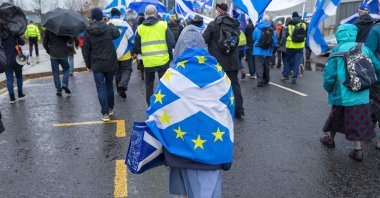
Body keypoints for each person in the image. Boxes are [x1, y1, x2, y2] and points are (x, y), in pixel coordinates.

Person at [149, 24, 234, 197]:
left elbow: (155, 111)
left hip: (179, 151)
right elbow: (229, 112)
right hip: (212, 150)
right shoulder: (220, 75)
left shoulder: (172, 75)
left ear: (179, 47)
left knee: (185, 191)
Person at [320, 24, 380, 162]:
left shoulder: (336, 50)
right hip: (362, 93)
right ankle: (358, 150)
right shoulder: (363, 47)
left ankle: (330, 139)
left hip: (342, 93)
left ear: (339, 35)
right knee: (358, 120)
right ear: (354, 34)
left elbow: (330, 75)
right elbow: (377, 66)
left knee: (336, 116)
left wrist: (328, 87)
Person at [203, 3, 245, 119]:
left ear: (218, 11)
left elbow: (204, 39)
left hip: (218, 62)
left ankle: (217, 110)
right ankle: (239, 110)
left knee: (216, 85)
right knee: (234, 85)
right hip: (233, 60)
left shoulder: (213, 24)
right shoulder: (235, 24)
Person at [82, 8, 120, 122]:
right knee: (109, 85)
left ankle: (105, 114)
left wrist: (88, 64)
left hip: (97, 63)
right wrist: (112, 25)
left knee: (100, 88)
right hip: (110, 62)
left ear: (92, 18)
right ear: (101, 16)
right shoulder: (108, 28)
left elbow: (86, 50)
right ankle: (110, 108)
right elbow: (117, 34)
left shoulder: (88, 31)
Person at [135, 5, 175, 106]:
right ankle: (165, 106)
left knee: (149, 85)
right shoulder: (163, 25)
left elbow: (136, 48)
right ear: (155, 13)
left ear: (145, 14)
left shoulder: (140, 28)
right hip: (163, 61)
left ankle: (150, 107)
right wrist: (169, 57)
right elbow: (171, 43)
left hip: (148, 62)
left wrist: (143, 55)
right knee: (164, 84)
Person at [108, 8, 135, 99]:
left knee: (117, 72)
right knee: (127, 70)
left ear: (111, 15)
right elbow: (132, 39)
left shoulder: (107, 24)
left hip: (112, 53)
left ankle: (119, 90)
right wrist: (133, 50)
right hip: (125, 53)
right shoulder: (124, 24)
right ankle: (122, 85)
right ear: (119, 15)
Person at [43, 29, 73, 97]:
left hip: (53, 54)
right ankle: (65, 84)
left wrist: (48, 50)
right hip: (63, 54)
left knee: (55, 72)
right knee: (66, 69)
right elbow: (70, 41)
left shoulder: (48, 30)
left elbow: (44, 43)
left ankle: (59, 90)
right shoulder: (64, 29)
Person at [365, 22, 380, 150]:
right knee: (376, 102)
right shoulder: (376, 30)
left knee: (378, 102)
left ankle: (369, 129)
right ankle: (369, 128)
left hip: (379, 76)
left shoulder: (376, 30)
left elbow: (368, 53)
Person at [253, 15, 277, 87]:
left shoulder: (257, 28)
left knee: (259, 66)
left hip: (258, 50)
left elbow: (253, 37)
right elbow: (274, 42)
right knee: (266, 66)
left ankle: (260, 81)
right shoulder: (272, 29)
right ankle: (266, 79)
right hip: (268, 51)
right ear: (269, 21)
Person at [282, 12, 306, 84]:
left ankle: (286, 75)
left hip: (290, 46)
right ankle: (294, 77)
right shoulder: (303, 25)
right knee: (296, 62)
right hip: (299, 47)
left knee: (286, 60)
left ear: (292, 17)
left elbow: (286, 35)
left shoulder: (289, 24)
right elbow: (305, 34)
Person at [2, 32, 25, 103]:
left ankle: (12, 98)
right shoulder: (14, 33)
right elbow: (22, 43)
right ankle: (20, 93)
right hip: (16, 60)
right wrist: (18, 36)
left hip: (6, 60)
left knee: (9, 79)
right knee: (19, 77)